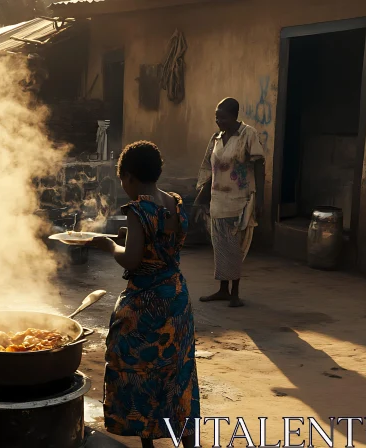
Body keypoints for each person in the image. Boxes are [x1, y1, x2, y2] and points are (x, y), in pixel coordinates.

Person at [89, 141, 200, 448]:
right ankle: (186, 439)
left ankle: (147, 440)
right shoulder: (173, 202)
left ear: (130, 177)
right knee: (178, 373)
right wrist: (130, 238)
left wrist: (109, 245)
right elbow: (161, 241)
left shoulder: (139, 208)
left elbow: (131, 259)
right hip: (176, 298)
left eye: (122, 179)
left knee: (137, 369)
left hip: (146, 304)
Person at [196, 98, 265, 308]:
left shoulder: (248, 135)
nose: (219, 121)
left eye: (223, 117)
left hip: (239, 201)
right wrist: (201, 198)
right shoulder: (216, 138)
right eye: (217, 117)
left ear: (234, 116)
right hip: (218, 201)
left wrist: (260, 198)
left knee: (234, 248)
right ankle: (222, 289)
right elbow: (210, 170)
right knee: (220, 247)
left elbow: (260, 165)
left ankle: (235, 292)